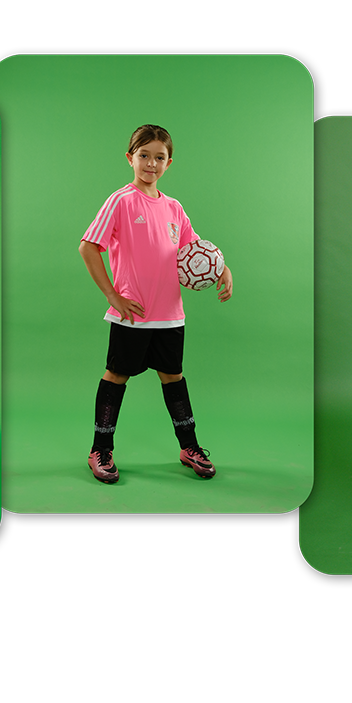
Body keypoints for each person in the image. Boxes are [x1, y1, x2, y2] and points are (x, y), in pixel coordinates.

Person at [79, 125, 233, 484]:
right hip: (132, 315)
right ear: (130, 158)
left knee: (174, 377)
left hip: (169, 316)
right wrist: (112, 295)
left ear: (169, 163)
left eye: (159, 157)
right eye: (144, 155)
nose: (151, 163)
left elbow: (195, 251)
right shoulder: (120, 200)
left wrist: (224, 269)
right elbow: (88, 247)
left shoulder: (174, 208)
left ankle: (189, 446)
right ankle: (100, 449)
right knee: (116, 376)